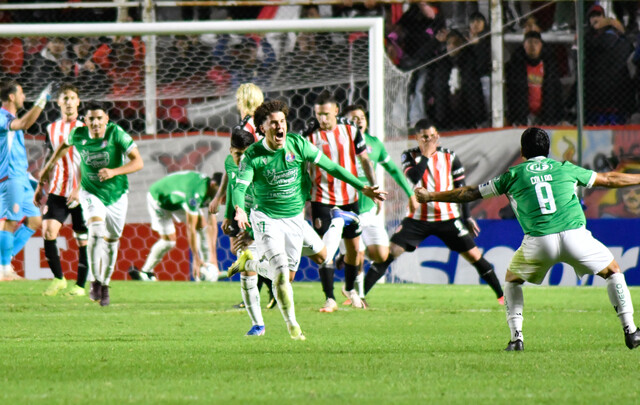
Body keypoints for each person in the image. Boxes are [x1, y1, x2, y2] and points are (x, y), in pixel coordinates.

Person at [415, 127, 640, 351]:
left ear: (522, 151)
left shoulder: (513, 175)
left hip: (539, 242)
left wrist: (431, 195)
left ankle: (516, 339)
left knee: (512, 280)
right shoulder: (565, 168)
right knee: (613, 271)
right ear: (548, 150)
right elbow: (608, 179)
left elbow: (471, 192)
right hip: (575, 237)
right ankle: (630, 330)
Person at [231, 99, 385, 340]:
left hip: (294, 219)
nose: (280, 126)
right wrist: (240, 210)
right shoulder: (253, 155)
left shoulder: (298, 144)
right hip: (266, 218)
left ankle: (336, 222)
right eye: (273, 123)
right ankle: (294, 329)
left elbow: (332, 167)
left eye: (282, 121)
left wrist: (362, 187)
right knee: (281, 273)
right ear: (262, 128)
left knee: (312, 263)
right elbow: (240, 188)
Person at [362, 119, 504, 304]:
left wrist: (467, 217)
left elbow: (461, 189)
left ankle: (502, 295)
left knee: (474, 256)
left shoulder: (450, 156)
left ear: (437, 137)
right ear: (416, 138)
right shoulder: (409, 156)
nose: (428, 140)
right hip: (417, 219)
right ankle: (359, 296)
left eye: (432, 137)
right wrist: (426, 155)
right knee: (391, 253)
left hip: (447, 218)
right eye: (424, 137)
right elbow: (414, 177)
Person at [38, 101, 144, 306]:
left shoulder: (116, 133)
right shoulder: (78, 134)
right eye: (91, 119)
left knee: (112, 242)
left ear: (106, 119)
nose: (95, 123)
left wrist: (114, 171)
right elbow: (62, 147)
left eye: (99, 118)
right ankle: (95, 281)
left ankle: (105, 283)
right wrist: (47, 169)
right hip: (90, 191)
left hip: (116, 194)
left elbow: (138, 161)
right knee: (95, 231)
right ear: (85, 121)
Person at [305, 90, 379, 312]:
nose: (322, 119)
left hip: (349, 198)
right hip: (322, 199)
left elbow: (364, 160)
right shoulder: (309, 136)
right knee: (325, 250)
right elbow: (304, 169)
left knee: (354, 249)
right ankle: (329, 298)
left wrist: (374, 187)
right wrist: (305, 199)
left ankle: (349, 288)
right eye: (319, 114)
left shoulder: (351, 131)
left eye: (326, 114)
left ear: (336, 111)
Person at [337, 104, 416, 304]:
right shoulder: (338, 142)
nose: (359, 120)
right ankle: (358, 296)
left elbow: (394, 170)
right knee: (358, 252)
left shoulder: (375, 144)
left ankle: (346, 257)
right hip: (347, 208)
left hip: (370, 210)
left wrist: (410, 194)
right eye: (354, 117)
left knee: (381, 255)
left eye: (362, 117)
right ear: (345, 122)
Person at [208, 83, 275, 309]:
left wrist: (222, 198)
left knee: (244, 246)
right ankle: (267, 289)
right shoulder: (265, 125)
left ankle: (259, 292)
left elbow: (236, 166)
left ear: (242, 101)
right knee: (248, 246)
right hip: (267, 189)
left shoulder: (244, 127)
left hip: (248, 193)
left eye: (238, 100)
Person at [33, 83, 88, 296]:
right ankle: (59, 278)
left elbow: (89, 160)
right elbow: (50, 156)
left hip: (80, 192)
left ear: (78, 102)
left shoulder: (85, 127)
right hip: (57, 189)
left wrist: (79, 188)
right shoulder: (51, 128)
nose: (69, 102)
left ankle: (80, 286)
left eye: (72, 98)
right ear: (58, 102)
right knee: (48, 231)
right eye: (65, 98)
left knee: (82, 239)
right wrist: (40, 184)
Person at [128, 171, 222, 282]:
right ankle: (145, 272)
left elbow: (212, 226)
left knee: (202, 227)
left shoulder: (216, 195)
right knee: (169, 241)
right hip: (160, 199)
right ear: (213, 185)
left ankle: (207, 265)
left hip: (178, 201)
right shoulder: (195, 193)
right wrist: (196, 258)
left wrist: (213, 261)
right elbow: (190, 228)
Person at [0, 80, 51, 281]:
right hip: (10, 177)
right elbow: (24, 124)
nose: (24, 97)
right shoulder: (2, 117)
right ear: (11, 96)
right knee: (10, 221)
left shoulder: (11, 118)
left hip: (21, 176)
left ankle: (4, 261)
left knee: (35, 220)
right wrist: (41, 102)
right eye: (21, 93)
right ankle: (4, 270)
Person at [505, 30, 563, 126]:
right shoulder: (515, 66)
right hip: (523, 115)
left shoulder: (549, 66)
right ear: (524, 45)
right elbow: (511, 93)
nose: (533, 46)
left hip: (545, 114)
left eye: (536, 42)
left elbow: (556, 90)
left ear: (541, 45)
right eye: (529, 42)